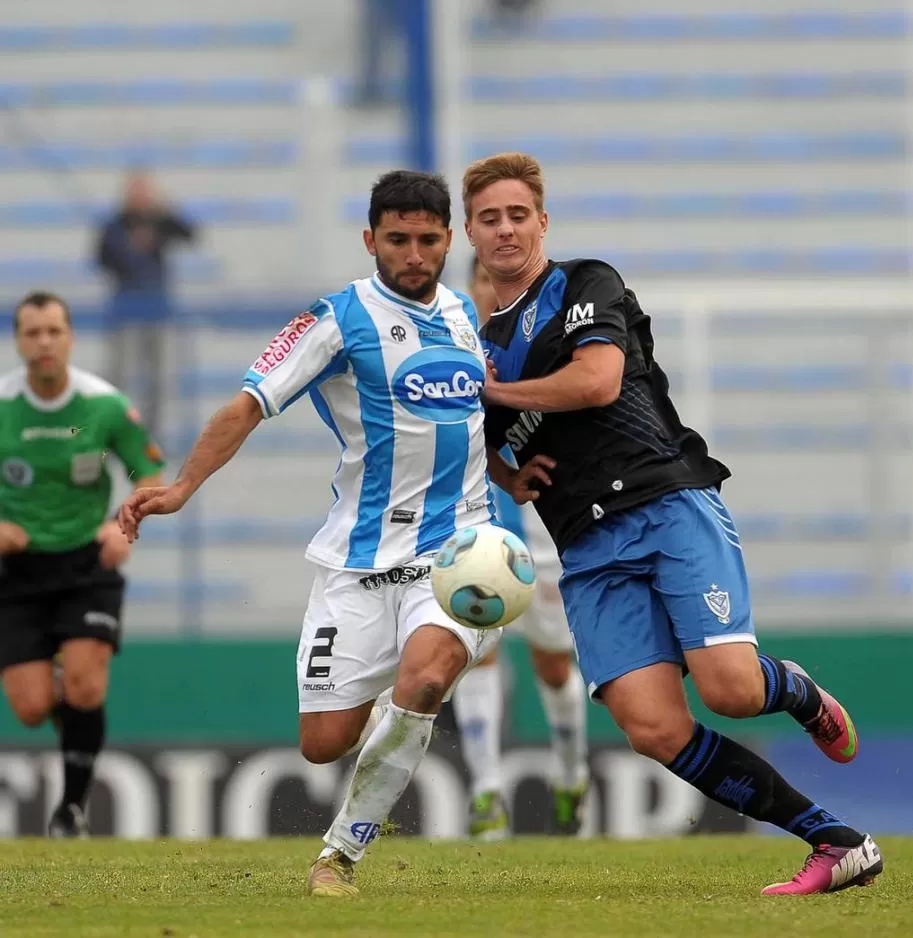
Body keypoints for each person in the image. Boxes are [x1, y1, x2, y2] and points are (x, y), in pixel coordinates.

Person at [464, 152, 883, 896]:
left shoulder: (584, 283)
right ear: (470, 230)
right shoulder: (469, 348)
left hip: (664, 502)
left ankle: (795, 691)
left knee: (728, 692)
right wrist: (505, 471)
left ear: (542, 221)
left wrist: (498, 392)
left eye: (517, 215)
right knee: (652, 730)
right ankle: (836, 842)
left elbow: (598, 381)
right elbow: (471, 437)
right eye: (489, 218)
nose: (504, 230)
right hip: (587, 550)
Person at [118, 171, 501, 898]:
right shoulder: (336, 318)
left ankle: (338, 857)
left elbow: (491, 423)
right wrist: (179, 488)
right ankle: (398, 709)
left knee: (426, 674)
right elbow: (246, 406)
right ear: (371, 240)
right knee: (323, 746)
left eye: (428, 239)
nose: (415, 254)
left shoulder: (467, 316)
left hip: (454, 556)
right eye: (398, 240)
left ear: (449, 240)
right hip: (355, 567)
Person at [0, 291, 165, 837]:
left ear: (69, 337)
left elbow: (149, 473)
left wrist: (122, 526)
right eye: (33, 333)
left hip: (87, 563)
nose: (44, 342)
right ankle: (59, 679)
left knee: (87, 688)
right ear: (20, 340)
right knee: (30, 708)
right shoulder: (2, 406)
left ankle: (70, 810)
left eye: (54, 331)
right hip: (17, 571)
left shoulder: (105, 407)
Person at [451, 257, 588, 840]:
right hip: (467, 527)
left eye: (494, 279)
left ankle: (571, 771)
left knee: (552, 662)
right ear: (471, 285)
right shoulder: (450, 351)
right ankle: (486, 793)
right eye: (479, 278)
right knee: (475, 652)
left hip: (536, 527)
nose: (488, 288)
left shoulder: (533, 348)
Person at [95, 171, 196, 436]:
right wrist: (127, 249)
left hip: (156, 310)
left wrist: (167, 210)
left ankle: (151, 432)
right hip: (124, 310)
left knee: (155, 378)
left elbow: (189, 234)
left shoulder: (160, 221)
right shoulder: (115, 225)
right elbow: (101, 259)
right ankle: (114, 428)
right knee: (118, 373)